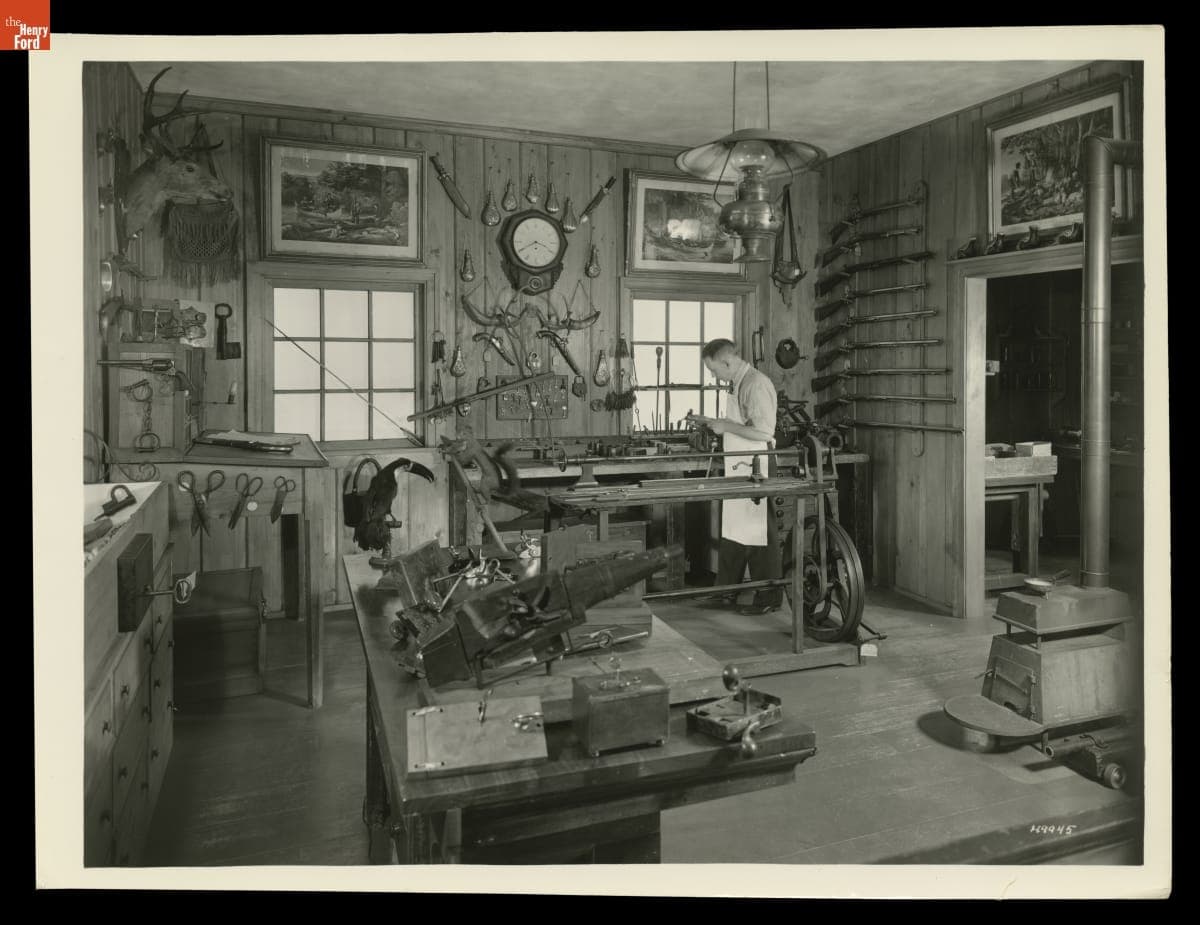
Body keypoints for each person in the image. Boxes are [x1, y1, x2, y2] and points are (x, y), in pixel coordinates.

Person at [688, 338, 782, 615]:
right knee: (733, 531)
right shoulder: (739, 382)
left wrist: (725, 425)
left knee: (759, 533)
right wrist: (710, 422)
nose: (714, 376)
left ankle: (769, 597)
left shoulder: (756, 384)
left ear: (728, 362)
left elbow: (765, 433)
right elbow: (742, 424)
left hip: (757, 466)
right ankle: (725, 592)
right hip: (740, 464)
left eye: (714, 370)